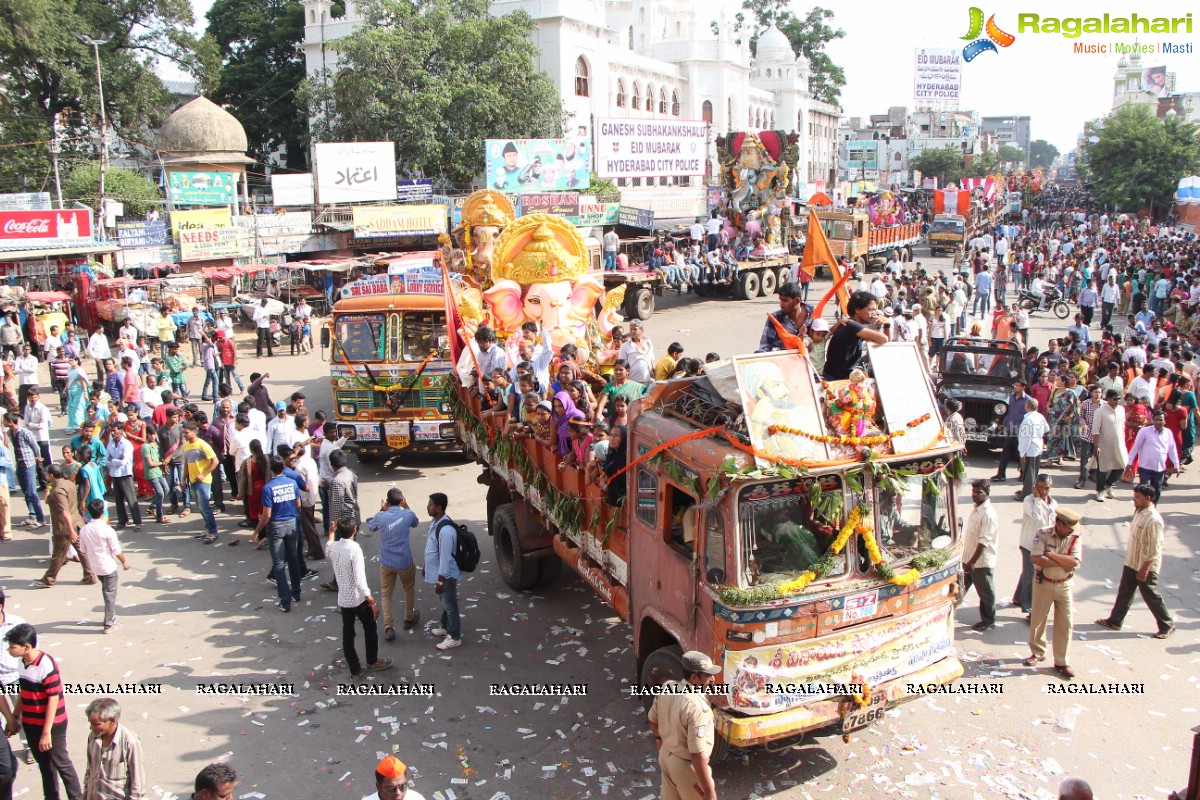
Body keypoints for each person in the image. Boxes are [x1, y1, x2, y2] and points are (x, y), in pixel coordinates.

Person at [4, 622, 83, 800]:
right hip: (31, 724)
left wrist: (46, 733)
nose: (9, 650)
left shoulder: (46, 665)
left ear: (26, 647)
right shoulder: (22, 663)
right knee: (45, 766)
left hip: (52, 725)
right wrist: (15, 717)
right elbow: (24, 694)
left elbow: (53, 700)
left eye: (12, 647)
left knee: (61, 763)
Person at [1095, 483, 1176, 639]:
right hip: (1132, 560)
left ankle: (1166, 623)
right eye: (1134, 496)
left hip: (1145, 565)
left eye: (1137, 497)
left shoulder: (1154, 520)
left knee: (1150, 594)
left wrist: (1145, 568)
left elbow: (1154, 549)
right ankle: (1115, 620)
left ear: (1148, 498)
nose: (1134, 500)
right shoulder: (1139, 511)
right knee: (1125, 591)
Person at [647, 650, 720, 800]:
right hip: (685, 767)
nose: (712, 679)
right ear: (694, 677)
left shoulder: (668, 686)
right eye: (707, 675)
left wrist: (659, 738)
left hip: (666, 756)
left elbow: (652, 719)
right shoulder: (697, 707)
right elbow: (697, 754)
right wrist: (709, 791)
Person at [326, 518, 392, 678]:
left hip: (344, 599)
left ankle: (355, 670)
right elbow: (360, 578)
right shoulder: (354, 549)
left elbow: (327, 549)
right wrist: (372, 601)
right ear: (354, 531)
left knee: (348, 635)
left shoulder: (334, 547)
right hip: (358, 598)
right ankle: (372, 661)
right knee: (370, 628)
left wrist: (330, 532)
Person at [1023, 507, 1082, 679]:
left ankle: (1062, 661)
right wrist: (1063, 561)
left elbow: (1074, 562)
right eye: (1069, 527)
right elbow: (1036, 558)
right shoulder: (1043, 533)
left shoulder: (1075, 538)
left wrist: (1051, 555)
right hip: (1044, 583)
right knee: (1038, 620)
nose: (1071, 531)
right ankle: (1037, 652)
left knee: (1066, 622)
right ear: (1060, 523)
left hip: (1064, 585)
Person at [367, 488, 421, 642]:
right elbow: (416, 522)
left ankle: (388, 626)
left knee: (386, 594)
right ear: (402, 501)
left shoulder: (381, 516)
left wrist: (382, 509)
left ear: (388, 502)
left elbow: (370, 526)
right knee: (408, 589)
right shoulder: (407, 514)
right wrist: (407, 506)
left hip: (387, 562)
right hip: (404, 561)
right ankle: (408, 617)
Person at [34, 465, 95, 589]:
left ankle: (49, 579)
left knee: (58, 554)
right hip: (77, 521)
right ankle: (90, 575)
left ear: (51, 476)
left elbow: (64, 511)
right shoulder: (68, 484)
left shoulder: (58, 491)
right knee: (82, 551)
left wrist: (71, 531)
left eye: (47, 474)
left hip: (64, 527)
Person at [254, 456, 302, 610]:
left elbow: (267, 514)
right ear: (283, 467)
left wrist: (257, 531)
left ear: (271, 470)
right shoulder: (292, 483)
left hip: (276, 526)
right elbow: (298, 504)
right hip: (291, 523)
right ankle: (296, 593)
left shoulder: (268, 488)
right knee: (293, 558)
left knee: (279, 564)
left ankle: (285, 601)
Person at [77, 499, 130, 634]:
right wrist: (125, 562)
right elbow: (116, 551)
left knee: (106, 590)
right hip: (108, 566)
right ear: (102, 512)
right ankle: (108, 623)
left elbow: (82, 550)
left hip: (96, 567)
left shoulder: (84, 530)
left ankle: (110, 615)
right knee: (110, 594)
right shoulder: (107, 530)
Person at [83, 697, 145, 800]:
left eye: (96, 724)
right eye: (91, 723)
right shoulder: (93, 737)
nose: (91, 727)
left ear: (111, 721)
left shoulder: (130, 742)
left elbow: (138, 784)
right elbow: (89, 771)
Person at [821, 291, 889, 380]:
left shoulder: (856, 326)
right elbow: (883, 339)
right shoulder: (851, 326)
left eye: (875, 310)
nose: (874, 314)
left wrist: (887, 325)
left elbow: (886, 344)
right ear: (857, 310)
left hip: (847, 374)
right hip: (838, 379)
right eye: (870, 310)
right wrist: (885, 322)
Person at [1014, 474, 1056, 618]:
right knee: (1031, 574)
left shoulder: (1053, 503)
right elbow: (1038, 519)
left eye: (1047, 488)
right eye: (1041, 488)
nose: (1044, 491)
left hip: (1043, 545)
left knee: (1028, 572)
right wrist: (1038, 499)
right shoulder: (1029, 500)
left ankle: (1019, 597)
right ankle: (1028, 605)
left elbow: (1052, 524)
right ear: (1035, 487)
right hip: (1029, 544)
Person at [424, 493, 462, 651]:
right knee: (445, 602)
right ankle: (445, 627)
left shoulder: (445, 531)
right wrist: (427, 568)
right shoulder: (435, 522)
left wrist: (440, 581)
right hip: (438, 572)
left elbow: (445, 559)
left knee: (450, 604)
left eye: (431, 505)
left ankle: (454, 636)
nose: (428, 507)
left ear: (439, 508)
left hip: (446, 575)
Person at [961, 479, 999, 632]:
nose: (974, 495)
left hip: (980, 561)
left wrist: (972, 561)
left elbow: (984, 541)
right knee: (961, 587)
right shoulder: (976, 509)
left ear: (987, 494)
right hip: (969, 558)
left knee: (985, 591)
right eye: (973, 492)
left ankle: (989, 620)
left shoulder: (988, 515)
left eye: (978, 492)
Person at [1127, 408, 1178, 503]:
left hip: (1159, 469)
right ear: (1152, 420)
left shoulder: (1168, 433)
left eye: (1161, 420)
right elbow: (1136, 447)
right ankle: (1140, 512)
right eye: (1156, 419)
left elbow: (1172, 450)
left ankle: (1151, 512)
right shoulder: (1144, 431)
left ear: (1165, 421)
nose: (1158, 422)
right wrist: (1129, 463)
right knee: (1144, 491)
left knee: (1157, 492)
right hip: (1145, 467)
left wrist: (1176, 465)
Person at [182, 422, 220, 543]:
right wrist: (183, 479)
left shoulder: (203, 445)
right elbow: (186, 465)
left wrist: (203, 474)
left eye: (186, 432)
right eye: (184, 432)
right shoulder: (186, 446)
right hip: (193, 480)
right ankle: (209, 530)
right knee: (200, 507)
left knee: (205, 506)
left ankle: (213, 531)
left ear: (194, 431)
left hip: (204, 481)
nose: (184, 435)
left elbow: (215, 461)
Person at [5, 413, 44, 528]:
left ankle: (40, 518)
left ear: (10, 422)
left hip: (29, 464)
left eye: (5, 420)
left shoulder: (25, 432)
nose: (3, 422)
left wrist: (38, 460)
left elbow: (36, 447)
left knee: (32, 492)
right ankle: (32, 516)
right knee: (26, 492)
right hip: (20, 465)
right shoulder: (10, 433)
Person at [1092, 389, 1129, 501]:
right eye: (1115, 399)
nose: (1118, 401)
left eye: (1119, 399)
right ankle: (1100, 491)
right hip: (1104, 445)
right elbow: (1095, 430)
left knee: (1122, 465)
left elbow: (1122, 427)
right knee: (1102, 469)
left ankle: (1109, 485)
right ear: (1108, 399)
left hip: (1119, 443)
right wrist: (1096, 446)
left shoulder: (1121, 410)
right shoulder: (1100, 411)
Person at [757, 282, 812, 353]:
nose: (781, 304)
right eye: (780, 300)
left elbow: (819, 342)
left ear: (797, 301)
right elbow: (764, 347)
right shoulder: (774, 319)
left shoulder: (812, 316)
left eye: (785, 300)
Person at [105, 425, 142, 531]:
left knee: (131, 499)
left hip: (125, 474)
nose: (113, 433)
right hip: (115, 475)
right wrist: (115, 460)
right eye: (112, 431)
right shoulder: (111, 443)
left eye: (115, 430)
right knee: (118, 500)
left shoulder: (126, 444)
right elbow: (106, 460)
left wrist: (113, 459)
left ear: (121, 431)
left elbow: (123, 462)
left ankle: (137, 522)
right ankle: (122, 521)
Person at [1015, 398, 1047, 501]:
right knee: (1034, 473)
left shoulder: (1028, 420)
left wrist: (1022, 452)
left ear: (1027, 406)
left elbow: (1025, 439)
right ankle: (1030, 492)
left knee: (1028, 474)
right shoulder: (1040, 416)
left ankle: (1026, 495)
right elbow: (1046, 429)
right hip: (1038, 447)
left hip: (1030, 450)